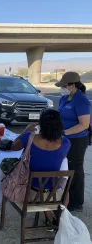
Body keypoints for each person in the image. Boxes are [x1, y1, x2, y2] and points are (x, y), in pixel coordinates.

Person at [12, 108, 71, 223]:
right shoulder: (66, 143)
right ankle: (60, 219)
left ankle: (49, 218)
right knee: (61, 184)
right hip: (55, 195)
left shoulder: (30, 137)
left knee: (41, 183)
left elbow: (13, 147)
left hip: (30, 194)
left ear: (41, 124)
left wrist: (26, 130)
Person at [55, 71, 91, 211]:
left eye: (63, 86)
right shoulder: (65, 99)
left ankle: (76, 202)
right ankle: (65, 197)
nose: (61, 88)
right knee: (65, 168)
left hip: (77, 140)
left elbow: (84, 124)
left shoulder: (81, 100)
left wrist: (64, 132)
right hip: (64, 138)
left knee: (75, 169)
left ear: (72, 85)